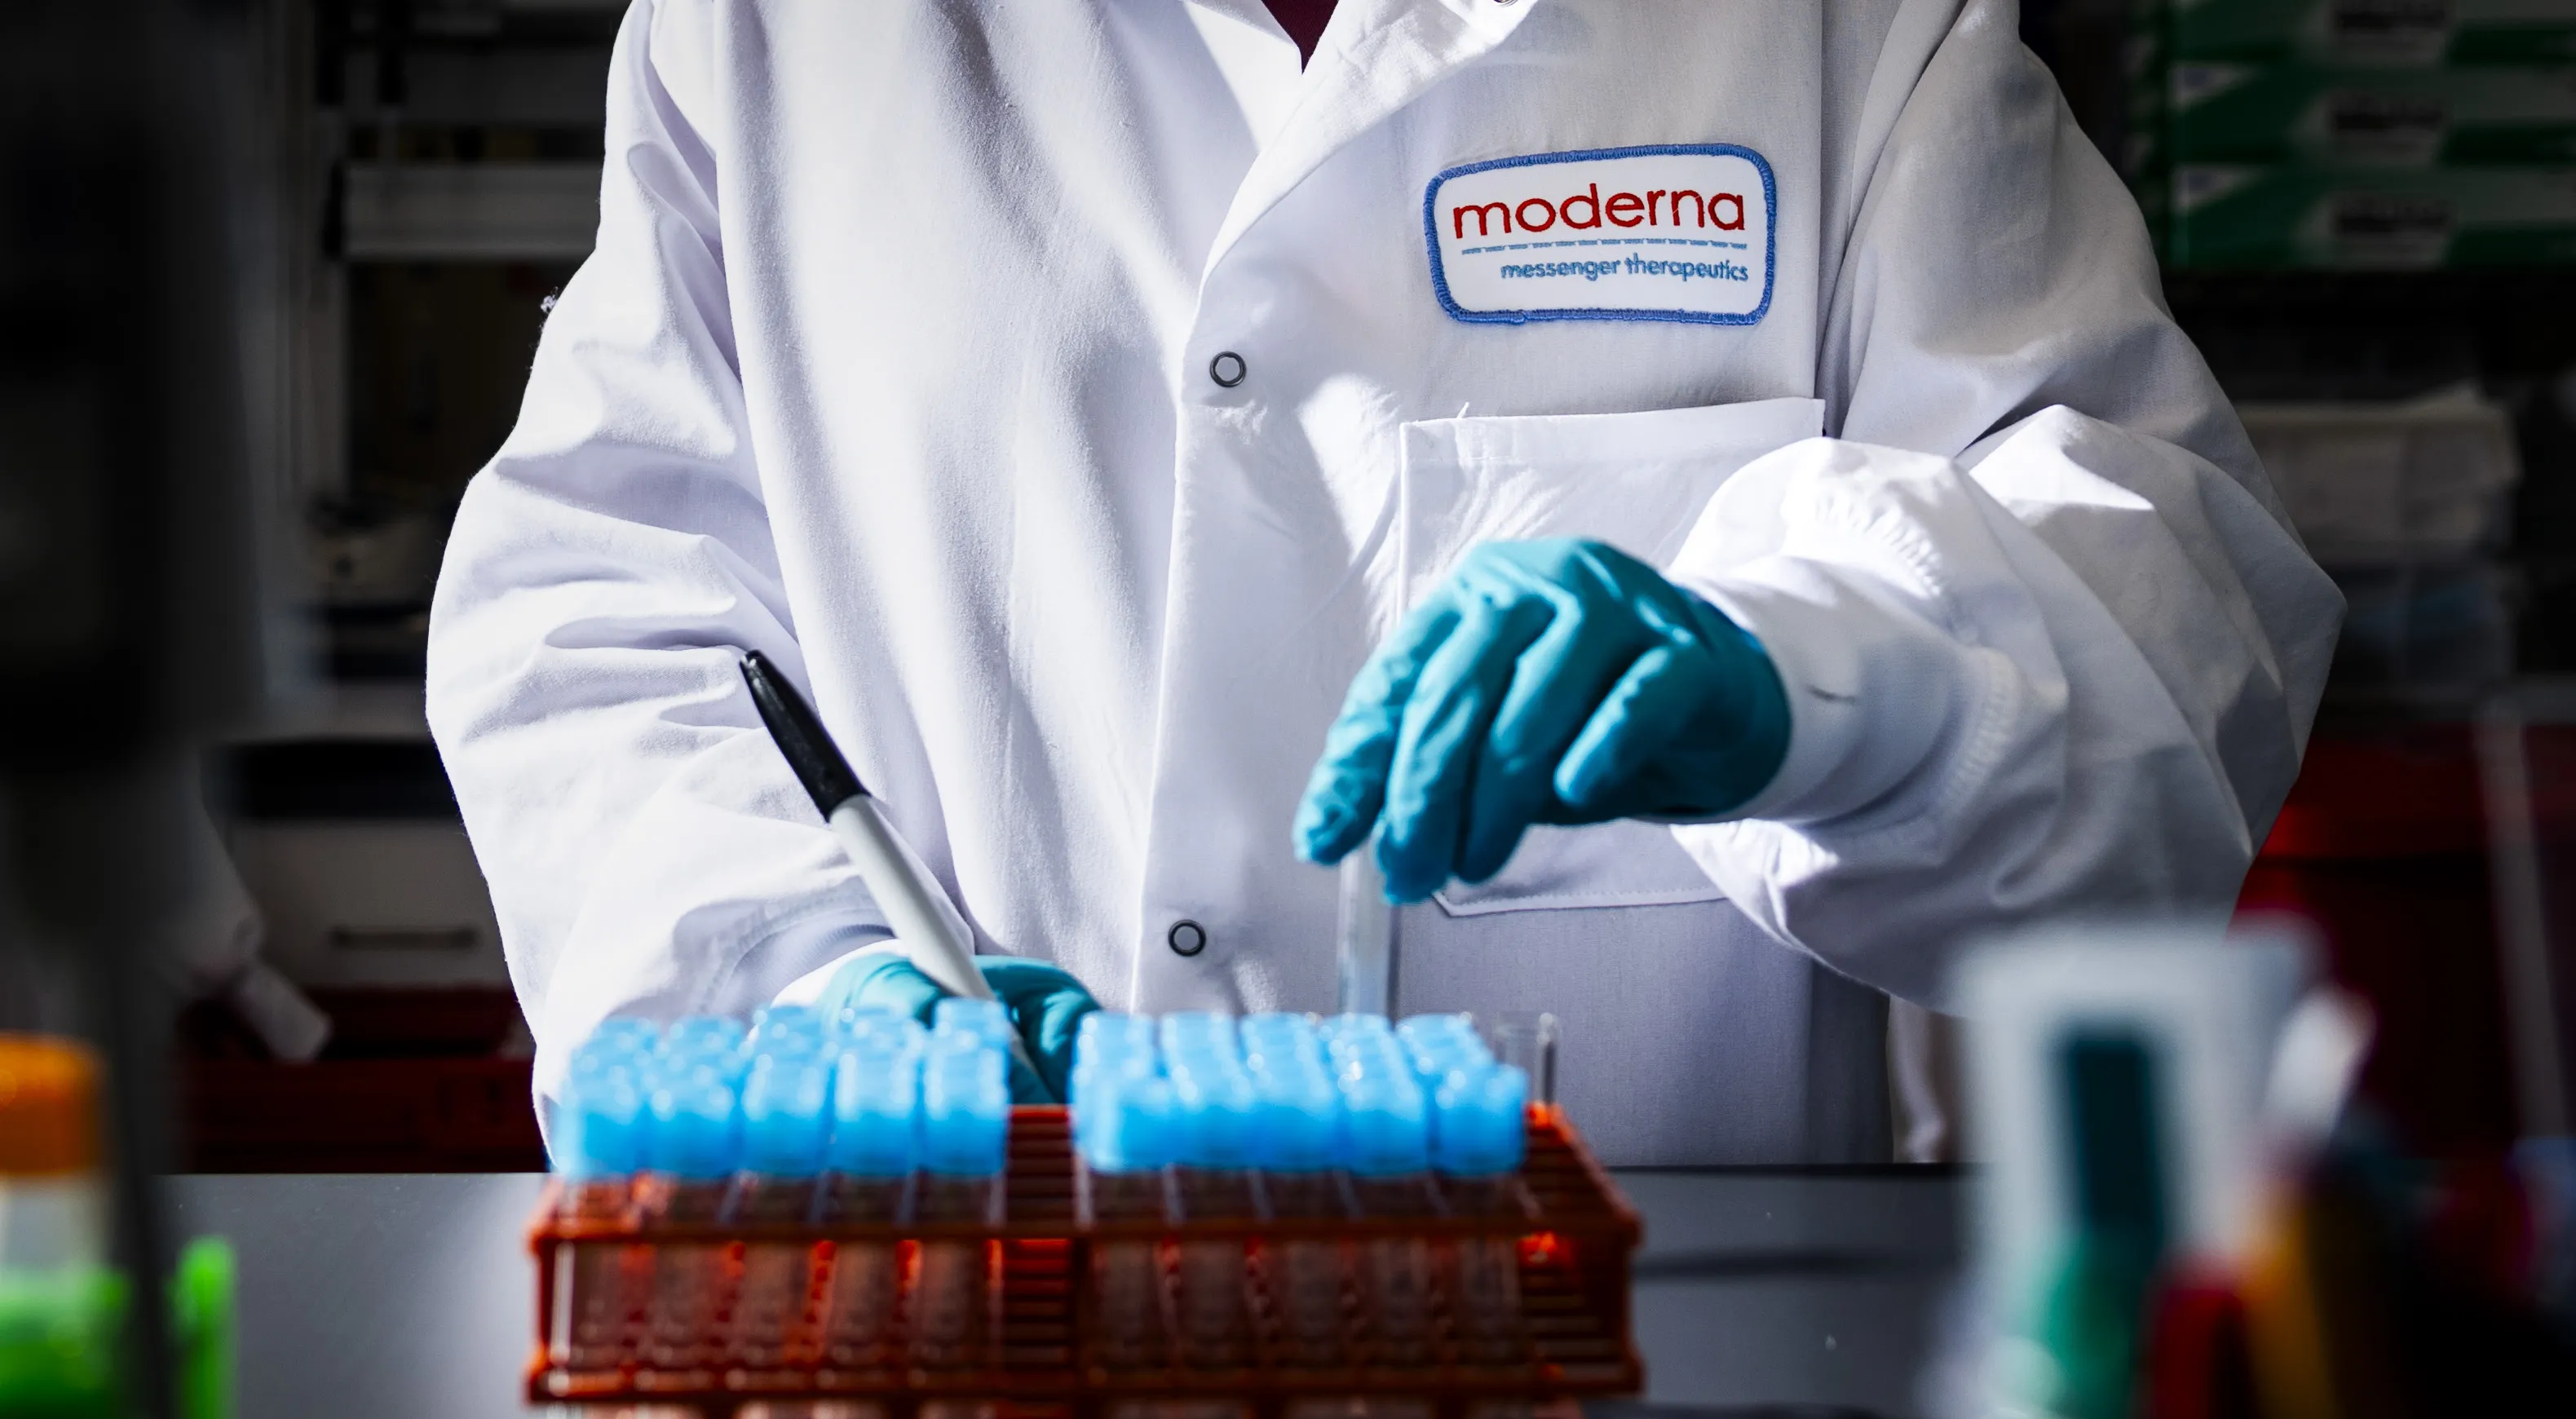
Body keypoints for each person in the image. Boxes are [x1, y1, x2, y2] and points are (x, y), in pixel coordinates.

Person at [426, 0, 2340, 1165]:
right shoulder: (773, 31)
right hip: (986, 1373)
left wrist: (1825, 673)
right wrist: (801, 986)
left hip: (1643, 1395)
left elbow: (2166, 579)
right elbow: (597, 611)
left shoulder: (1836, 22)